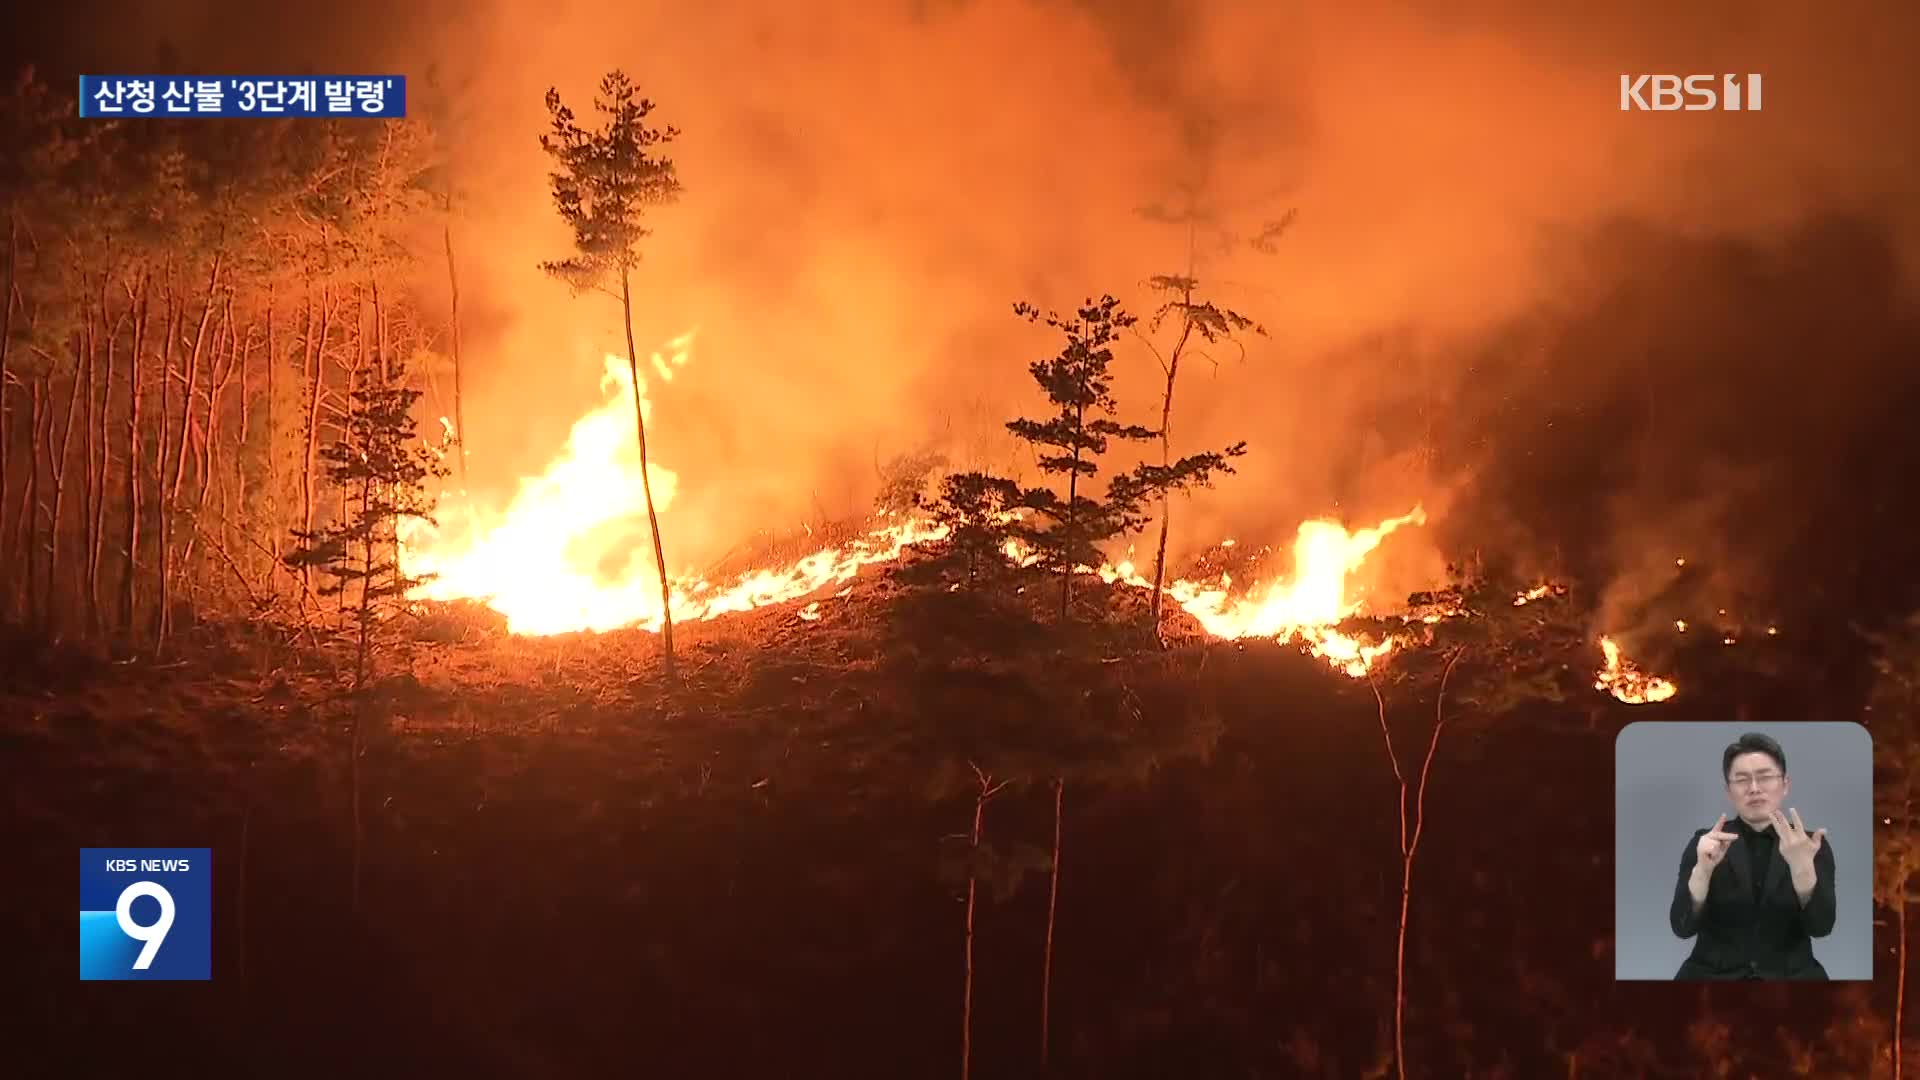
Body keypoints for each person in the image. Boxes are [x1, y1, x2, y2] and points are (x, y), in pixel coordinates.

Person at [1669, 732, 1837, 979]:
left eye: (1765, 777)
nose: (1754, 788)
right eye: (1742, 780)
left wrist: (1803, 871)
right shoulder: (1706, 843)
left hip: (1791, 977)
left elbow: (1821, 928)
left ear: (1785, 784)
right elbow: (1682, 928)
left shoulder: (1810, 845)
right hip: (1712, 976)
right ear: (1728, 790)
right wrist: (1702, 872)